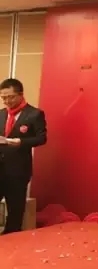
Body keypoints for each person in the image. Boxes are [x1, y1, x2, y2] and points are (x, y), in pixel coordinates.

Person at [0, 78, 47, 235]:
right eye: (3, 98)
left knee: (15, 210)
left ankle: (10, 239)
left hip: (18, 170)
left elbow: (41, 138)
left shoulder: (34, 114)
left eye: (10, 97)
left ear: (20, 94)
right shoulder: (1, 114)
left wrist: (20, 142)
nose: (7, 101)